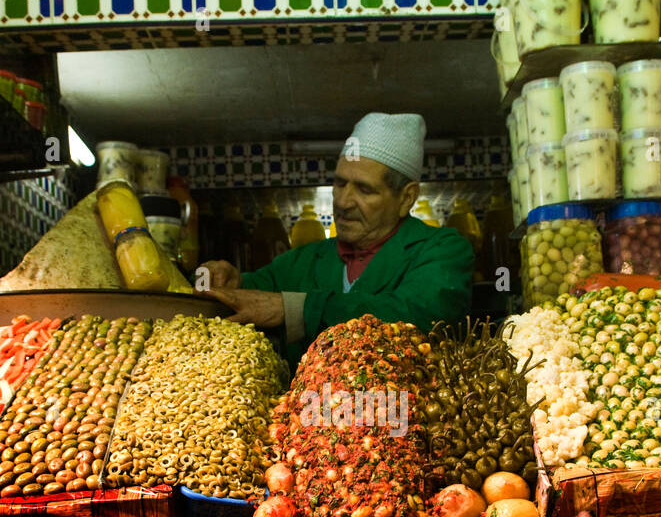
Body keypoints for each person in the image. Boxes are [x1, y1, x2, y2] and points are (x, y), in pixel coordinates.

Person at [198, 113, 475, 363]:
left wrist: (295, 309)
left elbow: (417, 316)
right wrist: (220, 279)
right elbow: (244, 295)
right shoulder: (301, 262)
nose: (343, 202)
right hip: (307, 416)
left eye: (364, 190)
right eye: (340, 183)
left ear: (406, 198)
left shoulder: (443, 251)